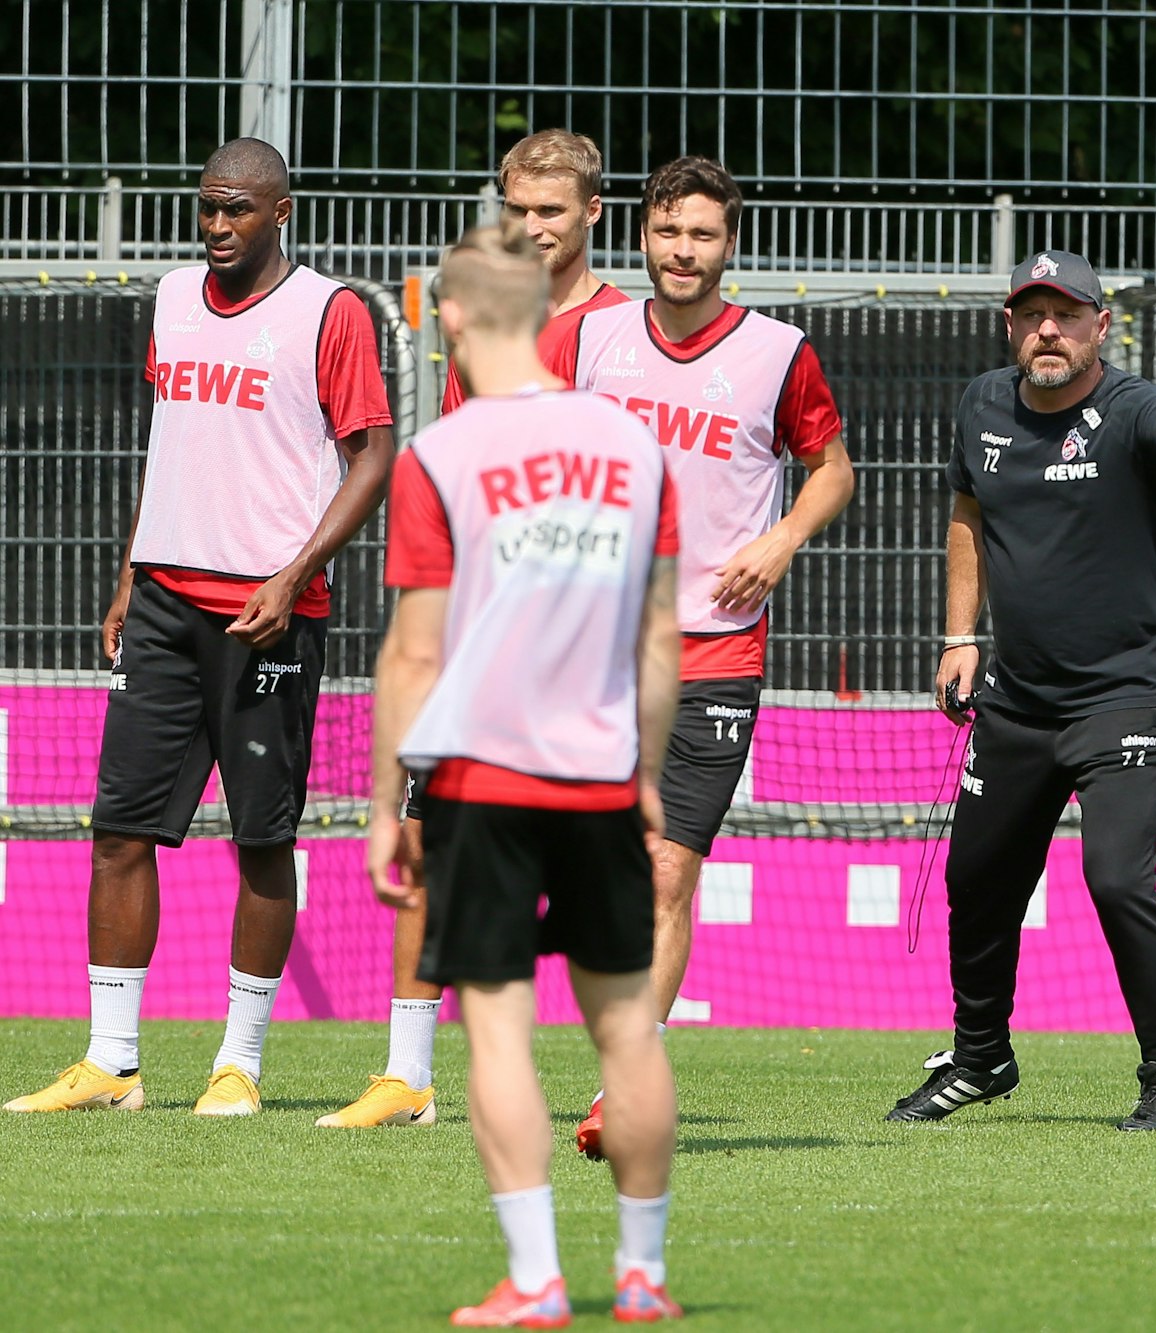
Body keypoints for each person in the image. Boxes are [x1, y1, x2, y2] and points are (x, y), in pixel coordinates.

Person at [888, 249, 1156, 1131]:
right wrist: (959, 636)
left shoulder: (1130, 407)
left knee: (1118, 880)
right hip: (1016, 696)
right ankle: (981, 1058)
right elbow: (967, 516)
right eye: (1032, 314)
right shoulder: (981, 403)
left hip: (1124, 695)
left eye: (1068, 315)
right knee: (975, 878)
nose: (1050, 330)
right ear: (1011, 324)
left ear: (1100, 327)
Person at [6, 138, 393, 1117]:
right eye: (207, 209)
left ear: (280, 212)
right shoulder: (175, 296)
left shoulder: (328, 312)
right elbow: (174, 444)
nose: (217, 227)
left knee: (261, 841)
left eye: (237, 210)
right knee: (118, 832)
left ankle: (240, 1064)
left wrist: (297, 572)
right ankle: (112, 1061)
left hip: (268, 613)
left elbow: (373, 453)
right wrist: (132, 572)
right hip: (166, 604)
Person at [368, 224, 684, 1324]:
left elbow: (413, 651)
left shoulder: (438, 456)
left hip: (481, 784)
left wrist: (382, 807)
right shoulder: (635, 447)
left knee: (498, 1031)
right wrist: (643, 773)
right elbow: (658, 639)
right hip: (600, 779)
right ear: (546, 312)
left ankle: (539, 1280)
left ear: (449, 316)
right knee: (627, 1030)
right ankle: (641, 1279)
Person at [322, 127, 631, 1131]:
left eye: (553, 210)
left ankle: (613, 1085)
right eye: (519, 209)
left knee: (601, 902)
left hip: (585, 656)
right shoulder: (485, 329)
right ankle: (408, 1072)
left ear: (593, 212)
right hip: (479, 635)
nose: (534, 227)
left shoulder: (626, 333)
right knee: (421, 835)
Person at [549, 154, 853, 1158]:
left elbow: (830, 471)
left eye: (704, 236)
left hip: (716, 655)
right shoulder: (585, 338)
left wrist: (778, 540)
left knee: (668, 874)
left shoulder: (777, 353)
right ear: (641, 232)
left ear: (731, 245)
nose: (684, 252)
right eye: (670, 232)